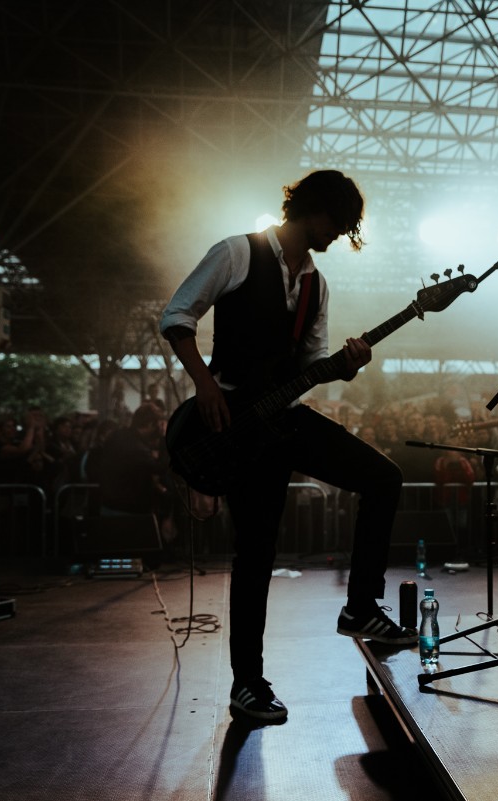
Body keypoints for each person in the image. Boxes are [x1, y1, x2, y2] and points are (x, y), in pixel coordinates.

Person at [159, 169, 415, 724]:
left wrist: (346, 367)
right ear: (313, 208)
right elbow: (176, 316)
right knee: (256, 553)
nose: (338, 236)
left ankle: (361, 607)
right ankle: (247, 685)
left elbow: (310, 364)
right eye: (337, 223)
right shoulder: (237, 252)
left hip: (285, 416)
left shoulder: (317, 285)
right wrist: (205, 385)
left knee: (383, 478)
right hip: (232, 416)